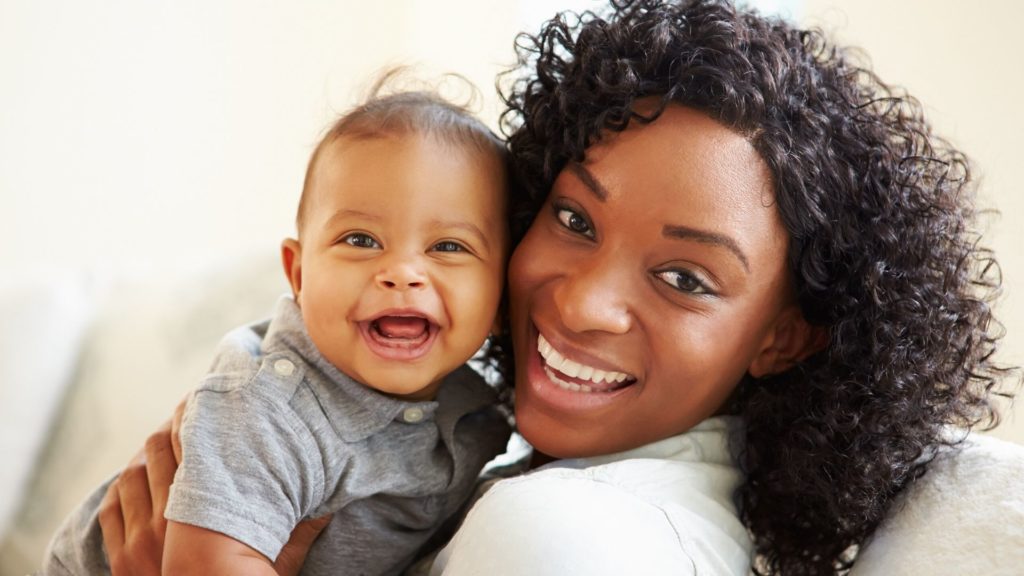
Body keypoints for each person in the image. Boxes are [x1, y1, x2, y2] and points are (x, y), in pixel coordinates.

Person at [95, 0, 1023, 574]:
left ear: (786, 334)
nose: (578, 303)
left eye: (683, 276)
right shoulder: (476, 441)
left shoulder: (560, 539)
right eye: (574, 220)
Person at [39, 86, 517, 575]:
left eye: (449, 247)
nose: (402, 271)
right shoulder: (267, 410)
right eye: (361, 239)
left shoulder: (477, 412)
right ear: (299, 274)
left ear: (502, 299)